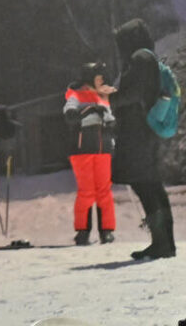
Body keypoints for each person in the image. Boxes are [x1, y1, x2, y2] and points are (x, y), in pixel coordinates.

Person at [110, 18, 176, 260]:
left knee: (146, 186)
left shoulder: (140, 59)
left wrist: (111, 100)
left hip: (138, 133)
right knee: (150, 185)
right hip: (145, 131)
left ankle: (162, 243)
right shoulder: (146, 57)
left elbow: (135, 93)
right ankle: (164, 242)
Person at [62, 62, 118, 245]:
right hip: (82, 147)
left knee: (104, 190)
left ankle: (107, 230)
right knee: (87, 191)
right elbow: (70, 115)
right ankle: (83, 231)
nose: (101, 80)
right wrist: (89, 110)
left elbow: (110, 118)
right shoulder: (75, 94)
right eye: (98, 77)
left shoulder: (103, 96)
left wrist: (109, 121)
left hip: (103, 148)